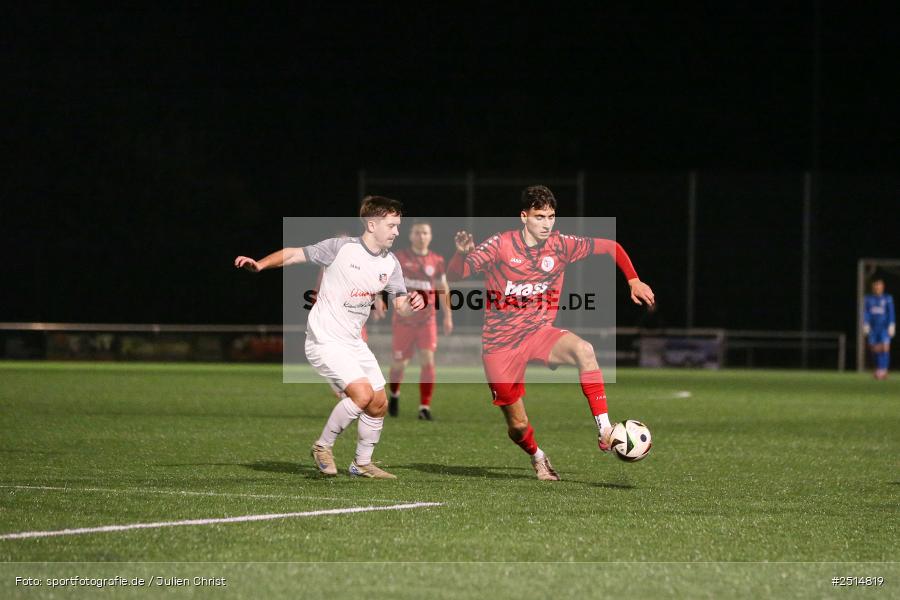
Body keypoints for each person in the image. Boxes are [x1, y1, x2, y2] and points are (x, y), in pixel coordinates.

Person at [447, 185, 655, 481]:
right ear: (524, 217)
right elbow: (457, 274)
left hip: (538, 332)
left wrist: (633, 280)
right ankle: (537, 456)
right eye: (539, 217)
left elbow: (612, 247)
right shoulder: (500, 246)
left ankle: (605, 429)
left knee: (585, 350)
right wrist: (459, 254)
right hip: (500, 345)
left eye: (551, 216)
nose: (546, 223)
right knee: (518, 427)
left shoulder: (561, 245)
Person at [234, 196, 424, 479]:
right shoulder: (339, 248)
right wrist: (260, 265)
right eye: (392, 226)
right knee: (361, 395)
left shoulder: (391, 264)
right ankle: (323, 447)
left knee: (379, 402)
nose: (397, 232)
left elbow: (400, 307)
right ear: (372, 224)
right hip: (324, 339)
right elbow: (293, 253)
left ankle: (362, 464)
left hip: (353, 342)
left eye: (398, 226)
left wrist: (413, 305)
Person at [387, 220, 453, 420]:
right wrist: (380, 300)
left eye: (425, 233)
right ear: (411, 235)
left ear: (430, 236)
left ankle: (424, 407)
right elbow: (384, 280)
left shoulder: (437, 260)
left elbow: (443, 288)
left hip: (427, 319)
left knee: (428, 360)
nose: (421, 236)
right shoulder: (399, 258)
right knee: (400, 364)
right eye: (417, 232)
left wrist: (448, 315)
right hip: (403, 320)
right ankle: (394, 394)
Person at [863, 278, 895, 380]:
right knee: (875, 349)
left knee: (885, 348)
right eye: (876, 285)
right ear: (873, 287)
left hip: (884, 327)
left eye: (879, 285)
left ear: (882, 287)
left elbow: (891, 312)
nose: (877, 287)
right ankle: (878, 369)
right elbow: (866, 312)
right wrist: (865, 324)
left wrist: (892, 324)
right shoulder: (868, 299)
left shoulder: (887, 298)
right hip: (873, 328)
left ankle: (884, 370)